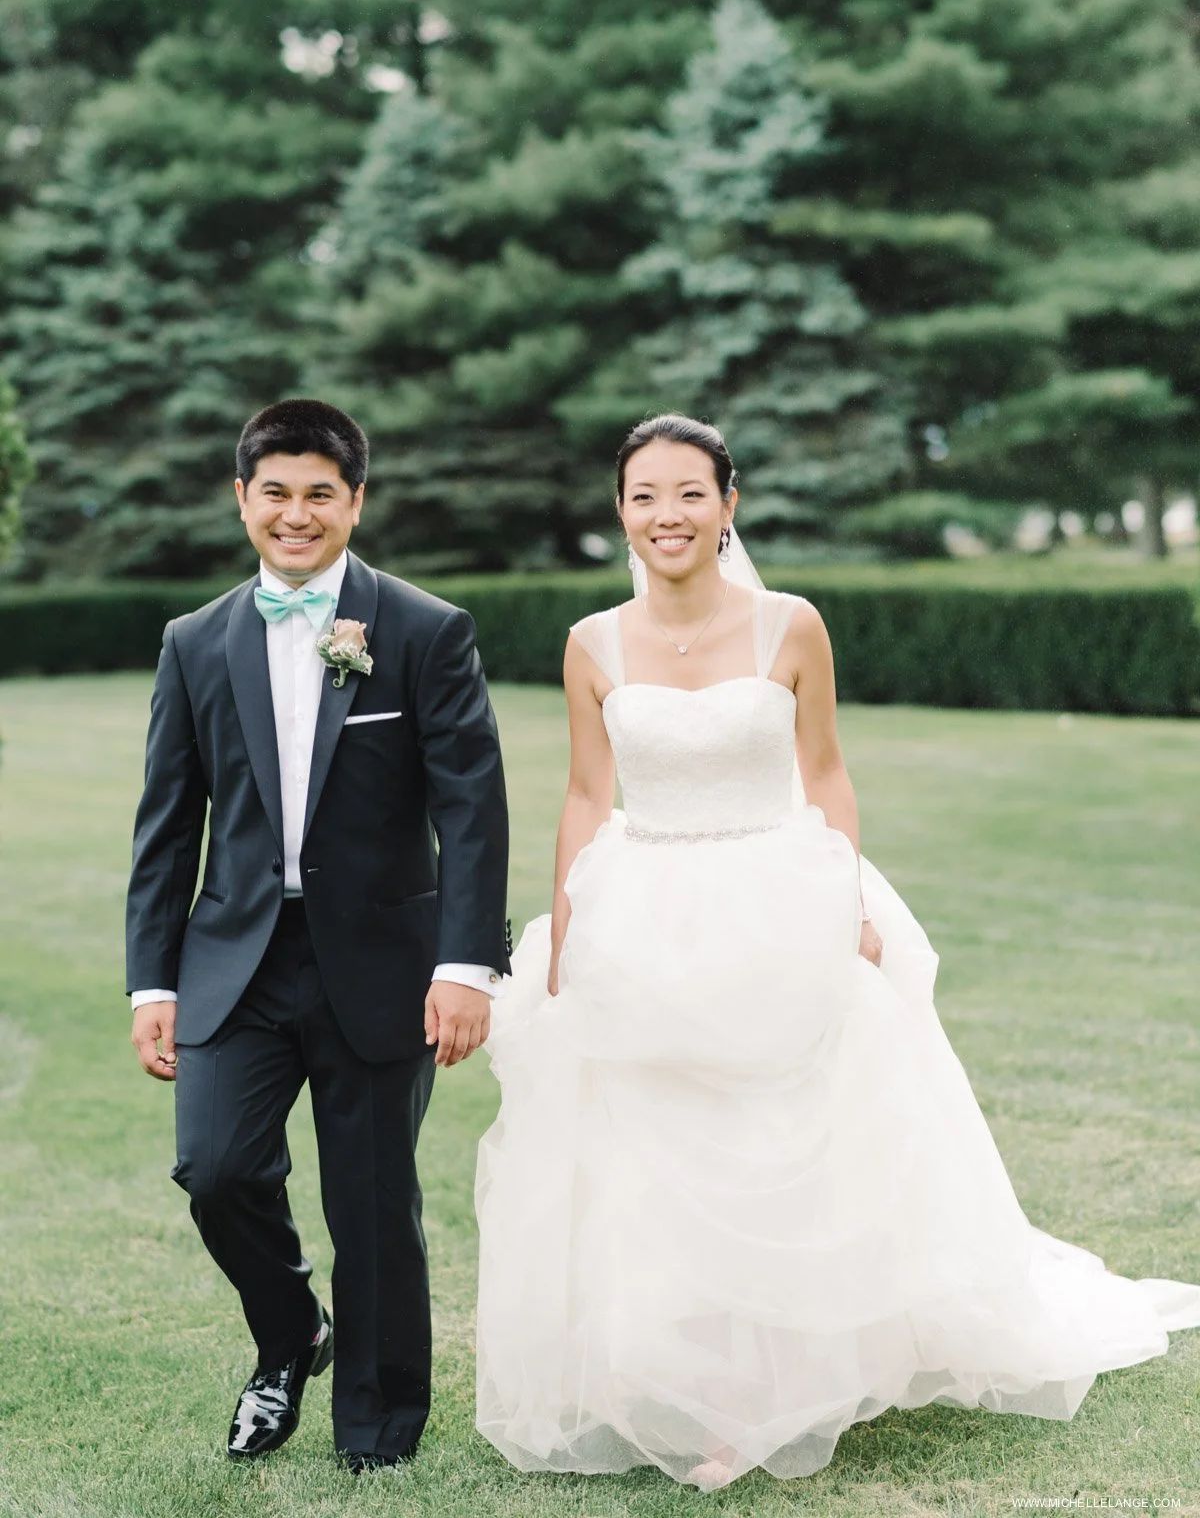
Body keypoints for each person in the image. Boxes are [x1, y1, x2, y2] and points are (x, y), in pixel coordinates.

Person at [474, 411, 1200, 1491]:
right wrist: (568, 932)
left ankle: (776, 1384)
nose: (667, 514)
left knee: (776, 1135)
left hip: (775, 897)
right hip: (643, 904)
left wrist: (846, 898)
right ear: (620, 511)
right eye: (644, 495)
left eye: (690, 492)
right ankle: (695, 1376)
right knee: (655, 1145)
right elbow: (586, 793)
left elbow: (826, 774)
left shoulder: (791, 626)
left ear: (728, 505)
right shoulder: (592, 643)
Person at [126, 398, 510, 1474]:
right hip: (234, 959)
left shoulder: (426, 630)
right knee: (215, 1169)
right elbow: (168, 824)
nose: (296, 515)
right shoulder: (194, 643)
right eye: (276, 493)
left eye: (319, 495)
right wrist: (151, 982)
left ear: (356, 502)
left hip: (384, 962)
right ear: (242, 498)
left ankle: (377, 1432)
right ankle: (292, 1330)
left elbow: (472, 810)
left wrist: (465, 964)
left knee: (373, 1201)